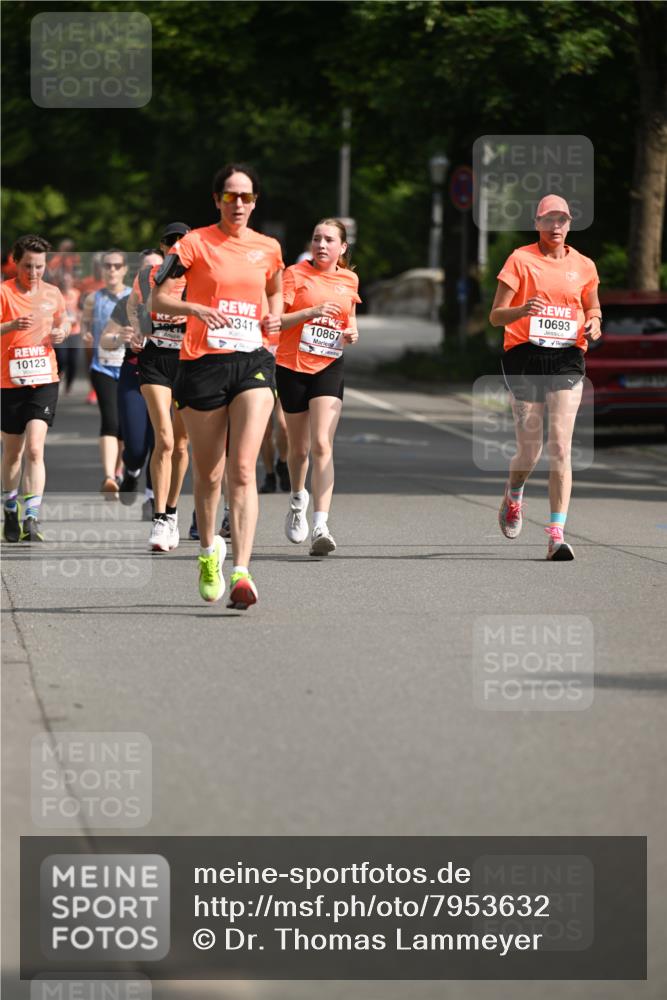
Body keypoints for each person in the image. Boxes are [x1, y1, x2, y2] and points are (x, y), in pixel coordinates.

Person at [151, 163, 283, 607]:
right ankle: (210, 553)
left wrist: (273, 316)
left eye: (246, 197)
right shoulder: (194, 243)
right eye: (230, 196)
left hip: (253, 362)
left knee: (242, 469)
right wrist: (195, 309)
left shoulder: (268, 248)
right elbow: (159, 297)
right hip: (203, 363)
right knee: (208, 474)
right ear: (217, 200)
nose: (239, 204)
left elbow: (275, 289)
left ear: (255, 201)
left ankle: (242, 572)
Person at [489, 194, 602, 561]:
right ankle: (514, 493)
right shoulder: (521, 260)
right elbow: (496, 316)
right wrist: (522, 308)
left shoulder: (584, 265)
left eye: (562, 220)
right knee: (530, 449)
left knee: (561, 446)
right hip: (525, 356)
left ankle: (556, 534)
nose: (556, 226)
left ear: (570, 224)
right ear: (537, 223)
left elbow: (592, 306)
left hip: (568, 357)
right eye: (549, 219)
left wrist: (595, 323)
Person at [275, 218, 360, 555]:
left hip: (328, 366)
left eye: (329, 240)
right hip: (292, 365)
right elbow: (276, 321)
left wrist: (352, 331)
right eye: (316, 239)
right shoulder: (294, 275)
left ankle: (321, 525)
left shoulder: (349, 279)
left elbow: (348, 318)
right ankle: (298, 501)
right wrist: (310, 312)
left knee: (322, 442)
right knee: (299, 449)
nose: (321, 245)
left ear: (342, 248)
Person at [1, 234, 70, 541]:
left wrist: (61, 332)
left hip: (44, 378)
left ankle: (32, 517)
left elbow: (64, 322)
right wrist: (11, 326)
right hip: (9, 380)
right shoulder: (3, 292)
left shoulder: (53, 293)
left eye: (39, 266)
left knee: (35, 447)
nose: (33, 273)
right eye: (28, 266)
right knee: (13, 451)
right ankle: (9, 507)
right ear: (16, 262)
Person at [127, 226, 192, 552]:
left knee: (181, 445)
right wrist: (138, 329)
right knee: (164, 438)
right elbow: (132, 306)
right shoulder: (149, 275)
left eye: (182, 242)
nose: (176, 248)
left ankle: (173, 511)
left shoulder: (199, 276)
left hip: (188, 361)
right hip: (154, 360)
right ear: (163, 246)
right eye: (171, 242)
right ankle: (160, 518)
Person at [100, 250, 163, 524]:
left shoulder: (178, 302)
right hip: (133, 375)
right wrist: (120, 336)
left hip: (166, 377)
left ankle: (152, 497)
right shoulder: (128, 303)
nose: (152, 275)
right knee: (136, 447)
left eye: (157, 269)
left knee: (159, 442)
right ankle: (132, 472)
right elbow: (106, 340)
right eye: (147, 269)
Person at [80, 249, 131, 498]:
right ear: (101, 270)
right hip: (103, 367)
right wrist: (86, 335)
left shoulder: (136, 296)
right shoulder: (93, 298)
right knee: (110, 420)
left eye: (116, 265)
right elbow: (85, 326)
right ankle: (109, 476)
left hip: (129, 367)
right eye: (107, 266)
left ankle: (119, 471)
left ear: (124, 269)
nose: (111, 270)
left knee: (125, 425)